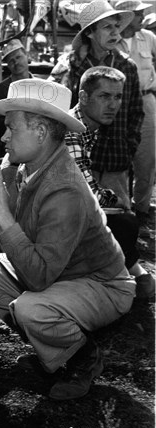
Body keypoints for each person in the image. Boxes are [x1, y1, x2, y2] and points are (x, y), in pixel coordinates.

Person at [0, 78, 135, 400]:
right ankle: (54, 350)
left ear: (39, 132)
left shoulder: (64, 188)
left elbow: (37, 278)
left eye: (12, 128)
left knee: (31, 308)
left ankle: (82, 358)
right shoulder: (30, 165)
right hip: (58, 275)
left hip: (101, 284)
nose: (3, 136)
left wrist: (1, 213)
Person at [65, 66, 155, 299]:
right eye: (104, 96)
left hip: (67, 211)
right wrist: (116, 202)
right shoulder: (71, 131)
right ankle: (122, 278)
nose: (113, 104)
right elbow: (87, 195)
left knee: (122, 218)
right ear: (83, 97)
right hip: (53, 220)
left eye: (117, 97)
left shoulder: (90, 128)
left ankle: (126, 273)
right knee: (125, 222)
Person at [48, 0, 144, 209]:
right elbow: (52, 107)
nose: (115, 33)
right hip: (78, 163)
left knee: (120, 224)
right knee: (80, 222)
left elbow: (136, 113)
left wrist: (129, 147)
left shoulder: (127, 66)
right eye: (107, 27)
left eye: (117, 26)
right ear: (90, 33)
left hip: (116, 162)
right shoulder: (70, 64)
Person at [114, 0, 156, 230]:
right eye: (138, 13)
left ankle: (141, 209)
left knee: (147, 158)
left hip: (147, 99)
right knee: (120, 154)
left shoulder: (149, 38)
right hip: (121, 102)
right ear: (128, 15)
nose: (142, 17)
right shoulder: (113, 39)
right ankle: (122, 209)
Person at [0, 39, 33, 159]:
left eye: (18, 57)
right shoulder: (1, 89)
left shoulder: (39, 86)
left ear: (26, 55)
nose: (16, 63)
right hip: (8, 148)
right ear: (8, 65)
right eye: (11, 61)